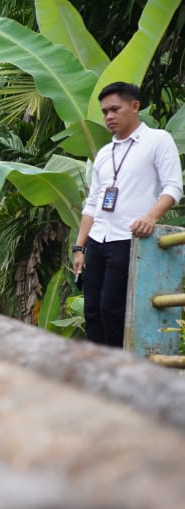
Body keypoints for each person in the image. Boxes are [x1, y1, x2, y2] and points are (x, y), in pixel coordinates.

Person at [72, 82, 183, 347]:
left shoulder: (157, 140)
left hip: (129, 238)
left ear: (135, 106)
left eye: (115, 109)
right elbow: (93, 202)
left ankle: (117, 373)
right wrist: (79, 246)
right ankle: (94, 373)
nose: (109, 116)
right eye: (104, 112)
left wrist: (151, 216)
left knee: (114, 309)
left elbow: (173, 186)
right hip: (98, 239)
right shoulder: (104, 153)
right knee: (93, 311)